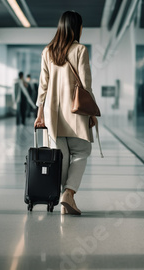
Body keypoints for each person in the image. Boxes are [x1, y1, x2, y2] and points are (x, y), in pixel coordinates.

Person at [34, 11, 97, 215]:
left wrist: (39, 113)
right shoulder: (80, 50)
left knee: (59, 157)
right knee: (81, 152)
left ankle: (65, 197)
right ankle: (68, 193)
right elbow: (86, 84)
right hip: (76, 112)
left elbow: (42, 85)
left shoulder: (47, 51)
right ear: (77, 27)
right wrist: (92, 112)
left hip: (52, 114)